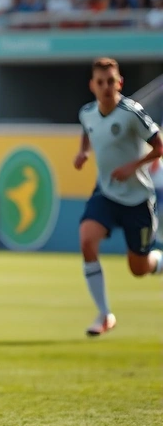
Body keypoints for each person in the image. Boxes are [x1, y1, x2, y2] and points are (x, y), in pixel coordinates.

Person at [74, 57, 163, 337]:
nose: (106, 87)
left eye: (111, 81)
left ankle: (159, 261)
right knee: (87, 239)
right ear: (92, 85)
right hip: (107, 192)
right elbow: (88, 132)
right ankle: (104, 314)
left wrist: (132, 167)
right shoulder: (87, 112)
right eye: (100, 82)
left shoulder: (131, 112)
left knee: (138, 267)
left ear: (120, 83)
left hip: (137, 199)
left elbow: (159, 146)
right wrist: (83, 153)